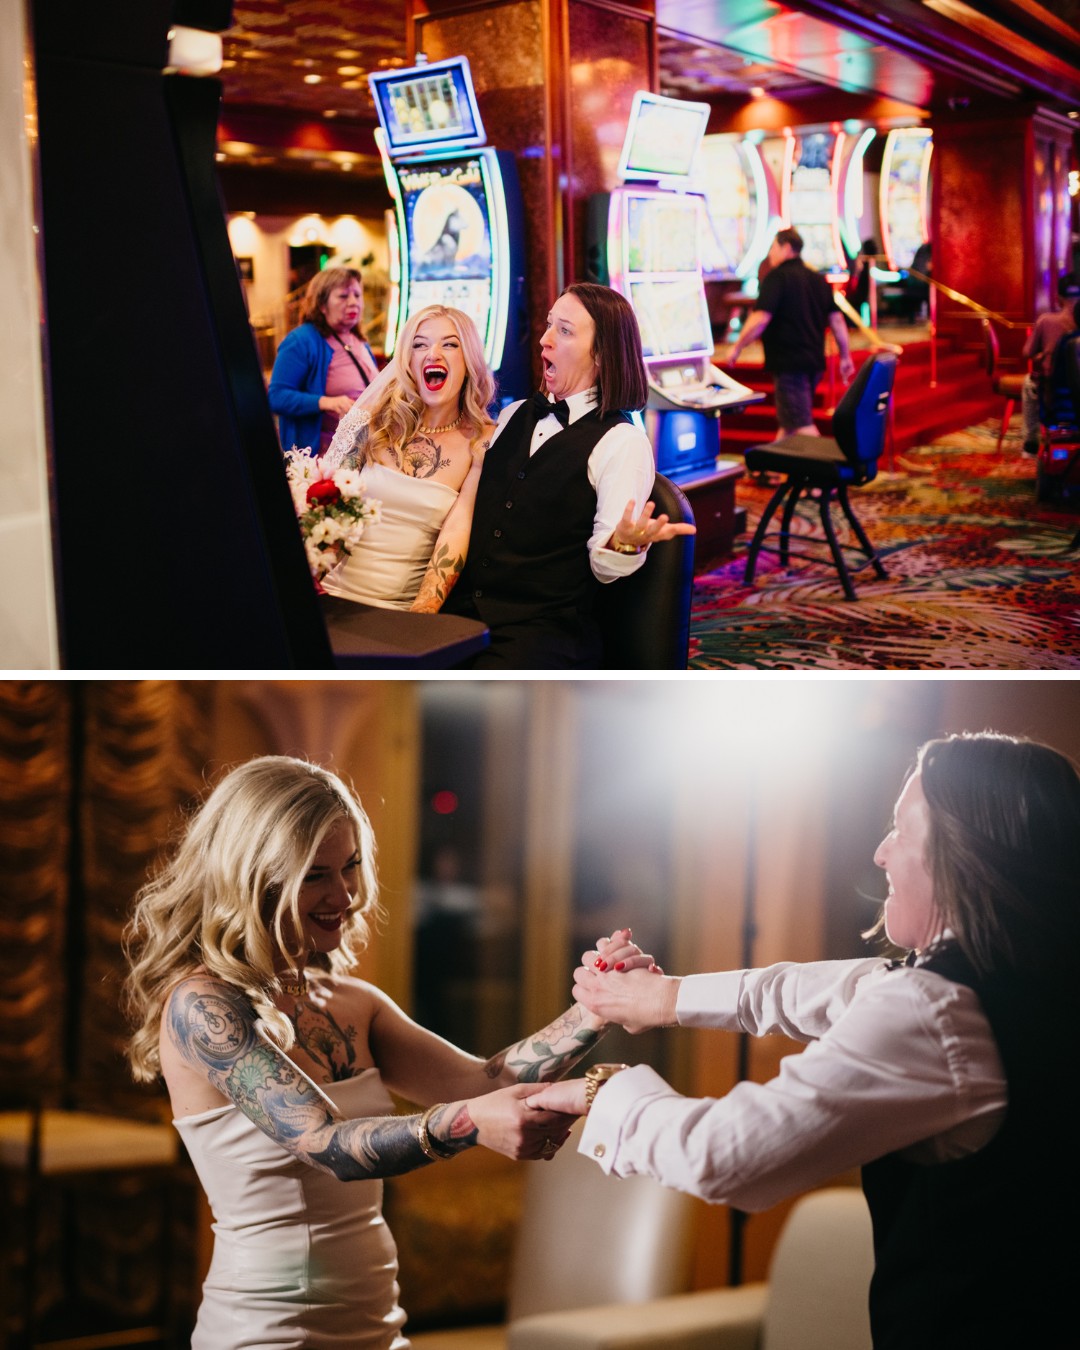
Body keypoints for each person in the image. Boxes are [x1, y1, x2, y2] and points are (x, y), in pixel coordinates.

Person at [529, 732, 1080, 1349]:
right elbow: (801, 992)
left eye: (901, 829)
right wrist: (659, 998)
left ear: (963, 850)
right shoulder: (1028, 983)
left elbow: (724, 1155)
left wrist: (601, 1093)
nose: (880, 853)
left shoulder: (936, 1010)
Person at [122, 755, 618, 1350]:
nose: (345, 894)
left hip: (378, 1331)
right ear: (255, 878)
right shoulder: (203, 1007)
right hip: (269, 1336)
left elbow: (482, 1083)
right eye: (316, 875)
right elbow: (327, 1146)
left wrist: (595, 1009)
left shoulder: (353, 1001)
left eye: (351, 866)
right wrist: (467, 1127)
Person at [441, 282, 696, 668]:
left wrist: (624, 544)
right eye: (548, 325)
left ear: (601, 353)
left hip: (541, 638)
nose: (543, 340)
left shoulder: (622, 442)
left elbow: (604, 566)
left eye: (564, 330)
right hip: (460, 619)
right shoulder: (513, 415)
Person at [317, 304, 496, 612]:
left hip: (400, 612)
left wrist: (420, 616)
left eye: (449, 344)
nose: (433, 354)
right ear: (408, 360)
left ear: (469, 360)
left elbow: (456, 533)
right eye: (420, 344)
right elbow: (325, 507)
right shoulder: (372, 423)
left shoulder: (481, 441)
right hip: (330, 596)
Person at [728, 227, 855, 438]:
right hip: (813, 362)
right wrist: (845, 355)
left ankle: (825, 468)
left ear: (786, 248)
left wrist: (737, 347)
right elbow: (837, 320)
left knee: (801, 425)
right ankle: (777, 470)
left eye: (773, 247)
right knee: (789, 423)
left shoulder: (777, 278)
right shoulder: (817, 278)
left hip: (790, 364)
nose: (770, 254)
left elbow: (760, 318)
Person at [268, 266, 381, 455]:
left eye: (357, 295)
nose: (353, 302)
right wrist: (326, 402)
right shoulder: (301, 340)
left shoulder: (359, 340)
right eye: (343, 296)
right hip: (322, 458)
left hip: (365, 449)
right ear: (322, 304)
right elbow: (276, 397)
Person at [1020, 271, 1080, 455]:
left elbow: (1026, 353)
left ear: (1058, 298)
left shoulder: (1046, 321)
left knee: (1029, 384)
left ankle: (1031, 441)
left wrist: (1044, 354)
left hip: (1056, 398)